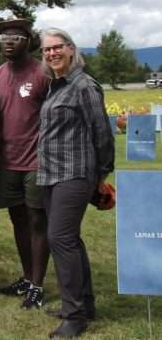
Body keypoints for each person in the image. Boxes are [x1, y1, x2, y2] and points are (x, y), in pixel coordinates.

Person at [39, 28, 114, 338]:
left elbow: (103, 133)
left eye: (58, 47)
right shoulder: (55, 87)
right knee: (70, 239)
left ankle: (74, 317)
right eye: (46, 50)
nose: (52, 53)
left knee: (60, 239)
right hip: (51, 174)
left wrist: (102, 176)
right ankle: (84, 304)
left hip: (75, 173)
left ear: (71, 49)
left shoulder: (84, 86)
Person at [0, 19, 50, 309]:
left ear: (28, 40)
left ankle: (38, 286)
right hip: (7, 162)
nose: (7, 41)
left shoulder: (42, 73)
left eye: (14, 37)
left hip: (37, 160)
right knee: (18, 221)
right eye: (3, 37)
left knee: (38, 220)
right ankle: (27, 276)